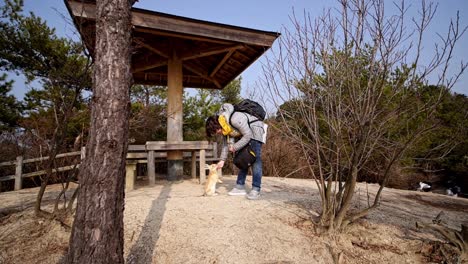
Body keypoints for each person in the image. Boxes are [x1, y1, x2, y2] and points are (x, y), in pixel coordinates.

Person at [205, 103, 266, 200]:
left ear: (216, 126)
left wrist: (235, 147)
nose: (216, 134)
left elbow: (248, 135)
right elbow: (225, 145)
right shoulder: (225, 127)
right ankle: (240, 186)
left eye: (214, 131)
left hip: (256, 131)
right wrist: (222, 160)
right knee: (242, 159)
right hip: (246, 135)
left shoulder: (234, 119)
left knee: (256, 160)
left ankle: (256, 189)